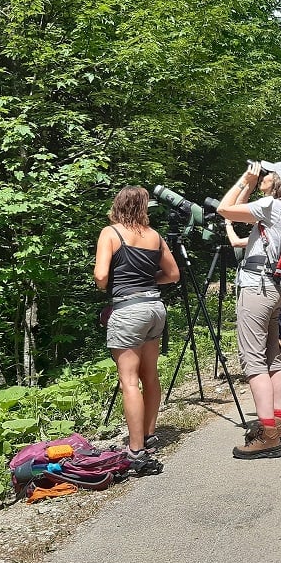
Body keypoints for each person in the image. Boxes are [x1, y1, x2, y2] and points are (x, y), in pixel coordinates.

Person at [217, 160, 281, 459]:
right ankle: (278, 423)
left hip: (256, 289)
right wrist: (252, 187)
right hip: (276, 289)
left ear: (277, 181)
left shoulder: (271, 206)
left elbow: (224, 208)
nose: (263, 176)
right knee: (272, 357)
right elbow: (241, 213)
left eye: (267, 174)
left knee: (253, 361)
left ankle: (267, 434)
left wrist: (246, 179)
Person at [93, 186, 179, 473]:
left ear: (117, 205)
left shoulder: (110, 233)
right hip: (155, 307)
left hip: (128, 310)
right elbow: (173, 274)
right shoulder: (154, 236)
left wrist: (107, 284)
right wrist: (147, 279)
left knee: (129, 381)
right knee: (150, 375)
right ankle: (149, 434)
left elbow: (102, 275)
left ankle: (136, 449)